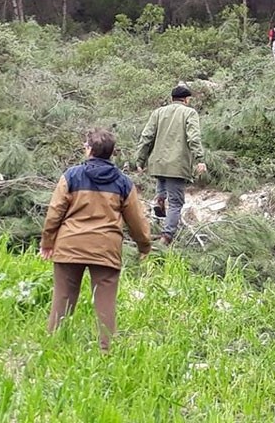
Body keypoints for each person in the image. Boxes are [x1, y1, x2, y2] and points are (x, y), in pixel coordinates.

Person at [40, 128, 152, 351]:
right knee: (105, 302)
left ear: (89, 150)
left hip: (70, 244)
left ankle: (53, 347)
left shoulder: (71, 176)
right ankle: (105, 351)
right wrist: (144, 245)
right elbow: (137, 221)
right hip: (106, 249)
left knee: (63, 297)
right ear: (111, 153)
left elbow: (55, 212)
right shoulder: (124, 183)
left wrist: (48, 242)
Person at [135, 84, 207, 246]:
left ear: (172, 99)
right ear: (186, 99)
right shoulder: (189, 112)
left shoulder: (158, 113)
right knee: (175, 203)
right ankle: (166, 238)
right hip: (177, 165)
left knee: (162, 190)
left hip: (158, 163)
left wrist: (140, 160)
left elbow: (146, 136)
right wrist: (200, 159)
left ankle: (159, 199)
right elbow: (193, 137)